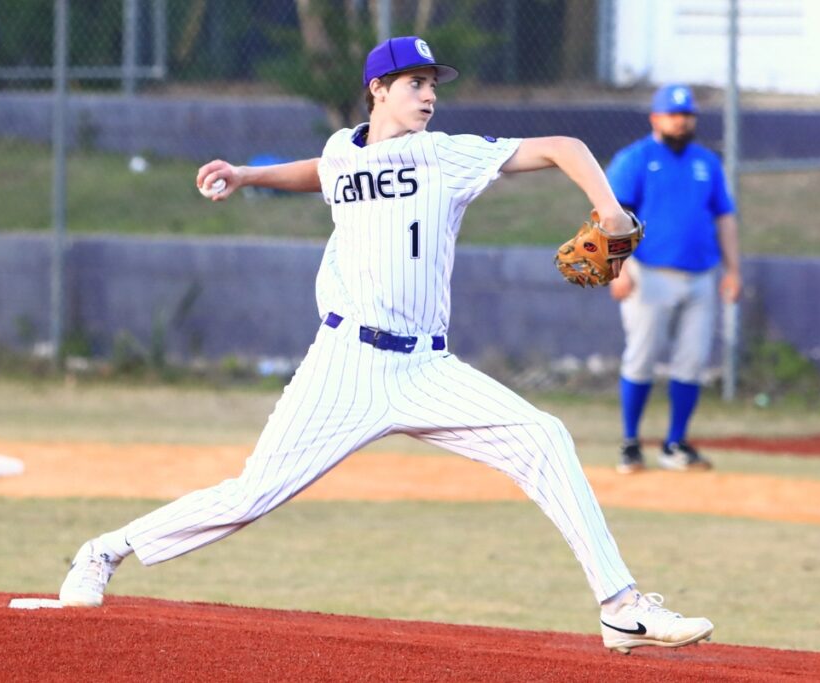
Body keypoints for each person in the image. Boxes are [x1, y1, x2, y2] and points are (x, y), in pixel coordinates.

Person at [59, 37, 714, 654]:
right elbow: (324, 170)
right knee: (249, 495)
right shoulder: (344, 149)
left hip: (425, 365)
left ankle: (621, 605)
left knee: (546, 438)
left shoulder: (446, 154)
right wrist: (248, 177)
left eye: (432, 84)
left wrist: (610, 211)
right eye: (414, 83)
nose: (428, 95)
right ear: (377, 89)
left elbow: (565, 145)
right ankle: (105, 550)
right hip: (346, 363)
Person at [605, 85, 741, 474]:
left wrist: (733, 270)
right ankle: (630, 443)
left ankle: (675, 444)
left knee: (692, 362)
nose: (681, 120)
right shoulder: (635, 159)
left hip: (701, 275)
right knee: (642, 357)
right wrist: (620, 268)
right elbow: (612, 216)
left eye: (687, 114)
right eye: (673, 114)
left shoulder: (706, 162)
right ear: (656, 118)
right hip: (648, 273)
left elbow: (725, 218)